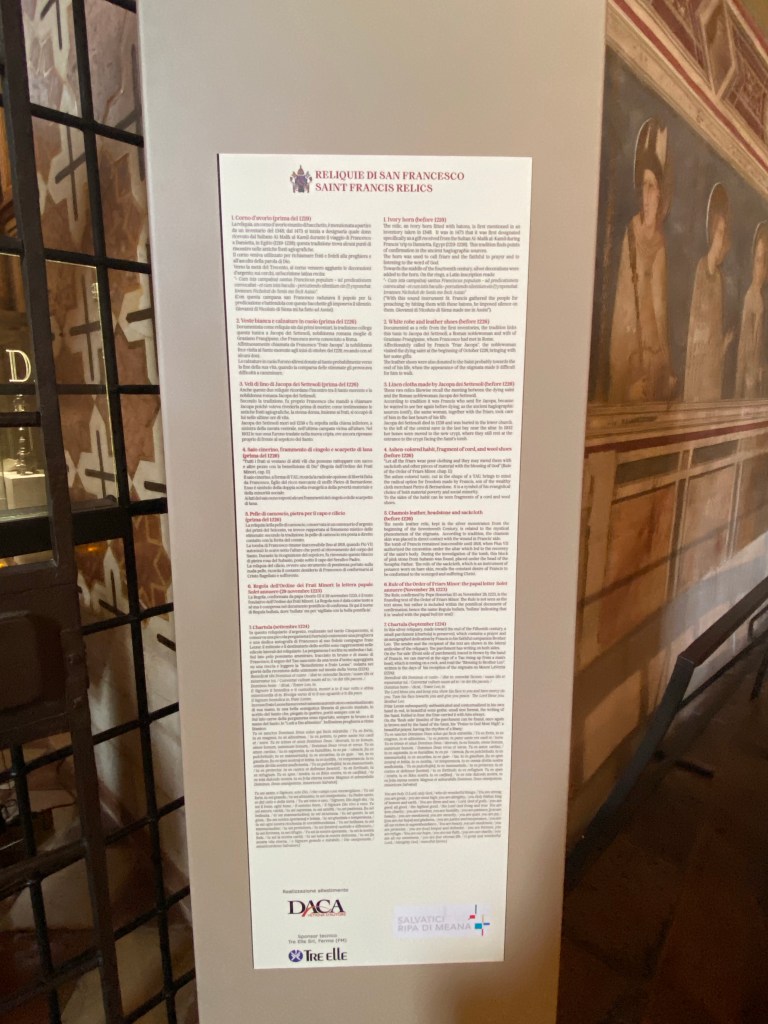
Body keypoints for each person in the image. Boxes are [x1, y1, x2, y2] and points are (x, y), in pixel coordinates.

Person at [609, 118, 675, 403]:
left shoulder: (660, 244)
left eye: (652, 186)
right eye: (643, 186)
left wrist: (666, 369)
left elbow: (660, 314)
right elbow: (622, 317)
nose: (646, 195)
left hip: (653, 368)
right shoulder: (631, 236)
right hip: (632, 367)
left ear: (661, 192)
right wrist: (628, 382)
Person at [684, 183, 733, 403]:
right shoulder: (701, 269)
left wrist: (723, 343)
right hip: (699, 367)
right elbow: (696, 325)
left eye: (724, 233)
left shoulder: (720, 279)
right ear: (712, 231)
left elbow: (716, 327)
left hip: (713, 370)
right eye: (719, 232)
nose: (721, 238)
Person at [735, 222, 768, 399]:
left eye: (765, 262)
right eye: (758, 260)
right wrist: (739, 390)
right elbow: (743, 350)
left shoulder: (762, 298)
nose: (761, 268)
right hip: (749, 384)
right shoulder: (750, 298)